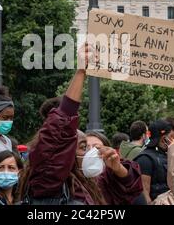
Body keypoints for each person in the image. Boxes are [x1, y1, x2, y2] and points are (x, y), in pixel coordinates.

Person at [18, 45, 143, 205]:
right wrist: (81, 73)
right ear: (64, 152)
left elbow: (130, 188)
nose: (93, 152)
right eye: (84, 146)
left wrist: (117, 168)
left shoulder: (92, 180)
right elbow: (58, 133)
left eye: (94, 147)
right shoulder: (48, 181)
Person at [134, 119, 172, 204]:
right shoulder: (145, 159)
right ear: (164, 138)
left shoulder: (166, 154)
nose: (173, 140)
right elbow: (144, 192)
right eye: (171, 137)